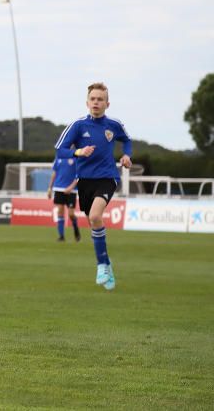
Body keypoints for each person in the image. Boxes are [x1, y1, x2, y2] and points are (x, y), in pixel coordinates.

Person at [54, 82, 132, 291]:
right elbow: (60, 150)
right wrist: (78, 152)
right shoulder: (78, 125)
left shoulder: (114, 124)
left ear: (107, 103)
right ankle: (106, 264)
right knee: (92, 221)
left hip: (107, 178)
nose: (96, 102)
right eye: (93, 99)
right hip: (85, 181)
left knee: (96, 216)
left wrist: (126, 155)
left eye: (100, 99)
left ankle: (100, 266)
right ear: (87, 102)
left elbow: (127, 140)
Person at [46, 151, 80, 242]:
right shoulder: (59, 156)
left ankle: (76, 229)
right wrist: (49, 188)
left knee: (71, 214)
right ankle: (61, 236)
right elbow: (54, 173)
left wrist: (71, 187)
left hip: (71, 190)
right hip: (58, 188)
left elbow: (79, 175)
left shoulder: (76, 156)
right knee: (60, 212)